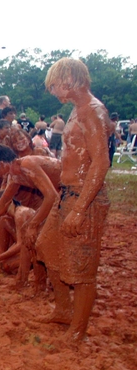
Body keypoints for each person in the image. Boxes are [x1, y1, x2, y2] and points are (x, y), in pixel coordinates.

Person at [35, 58, 112, 342]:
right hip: (68, 193)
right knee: (46, 246)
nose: (53, 90)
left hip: (84, 198)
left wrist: (80, 210)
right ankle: (64, 310)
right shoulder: (76, 111)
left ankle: (77, 330)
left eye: (54, 85)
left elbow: (100, 163)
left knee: (82, 268)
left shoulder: (91, 111)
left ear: (69, 80)